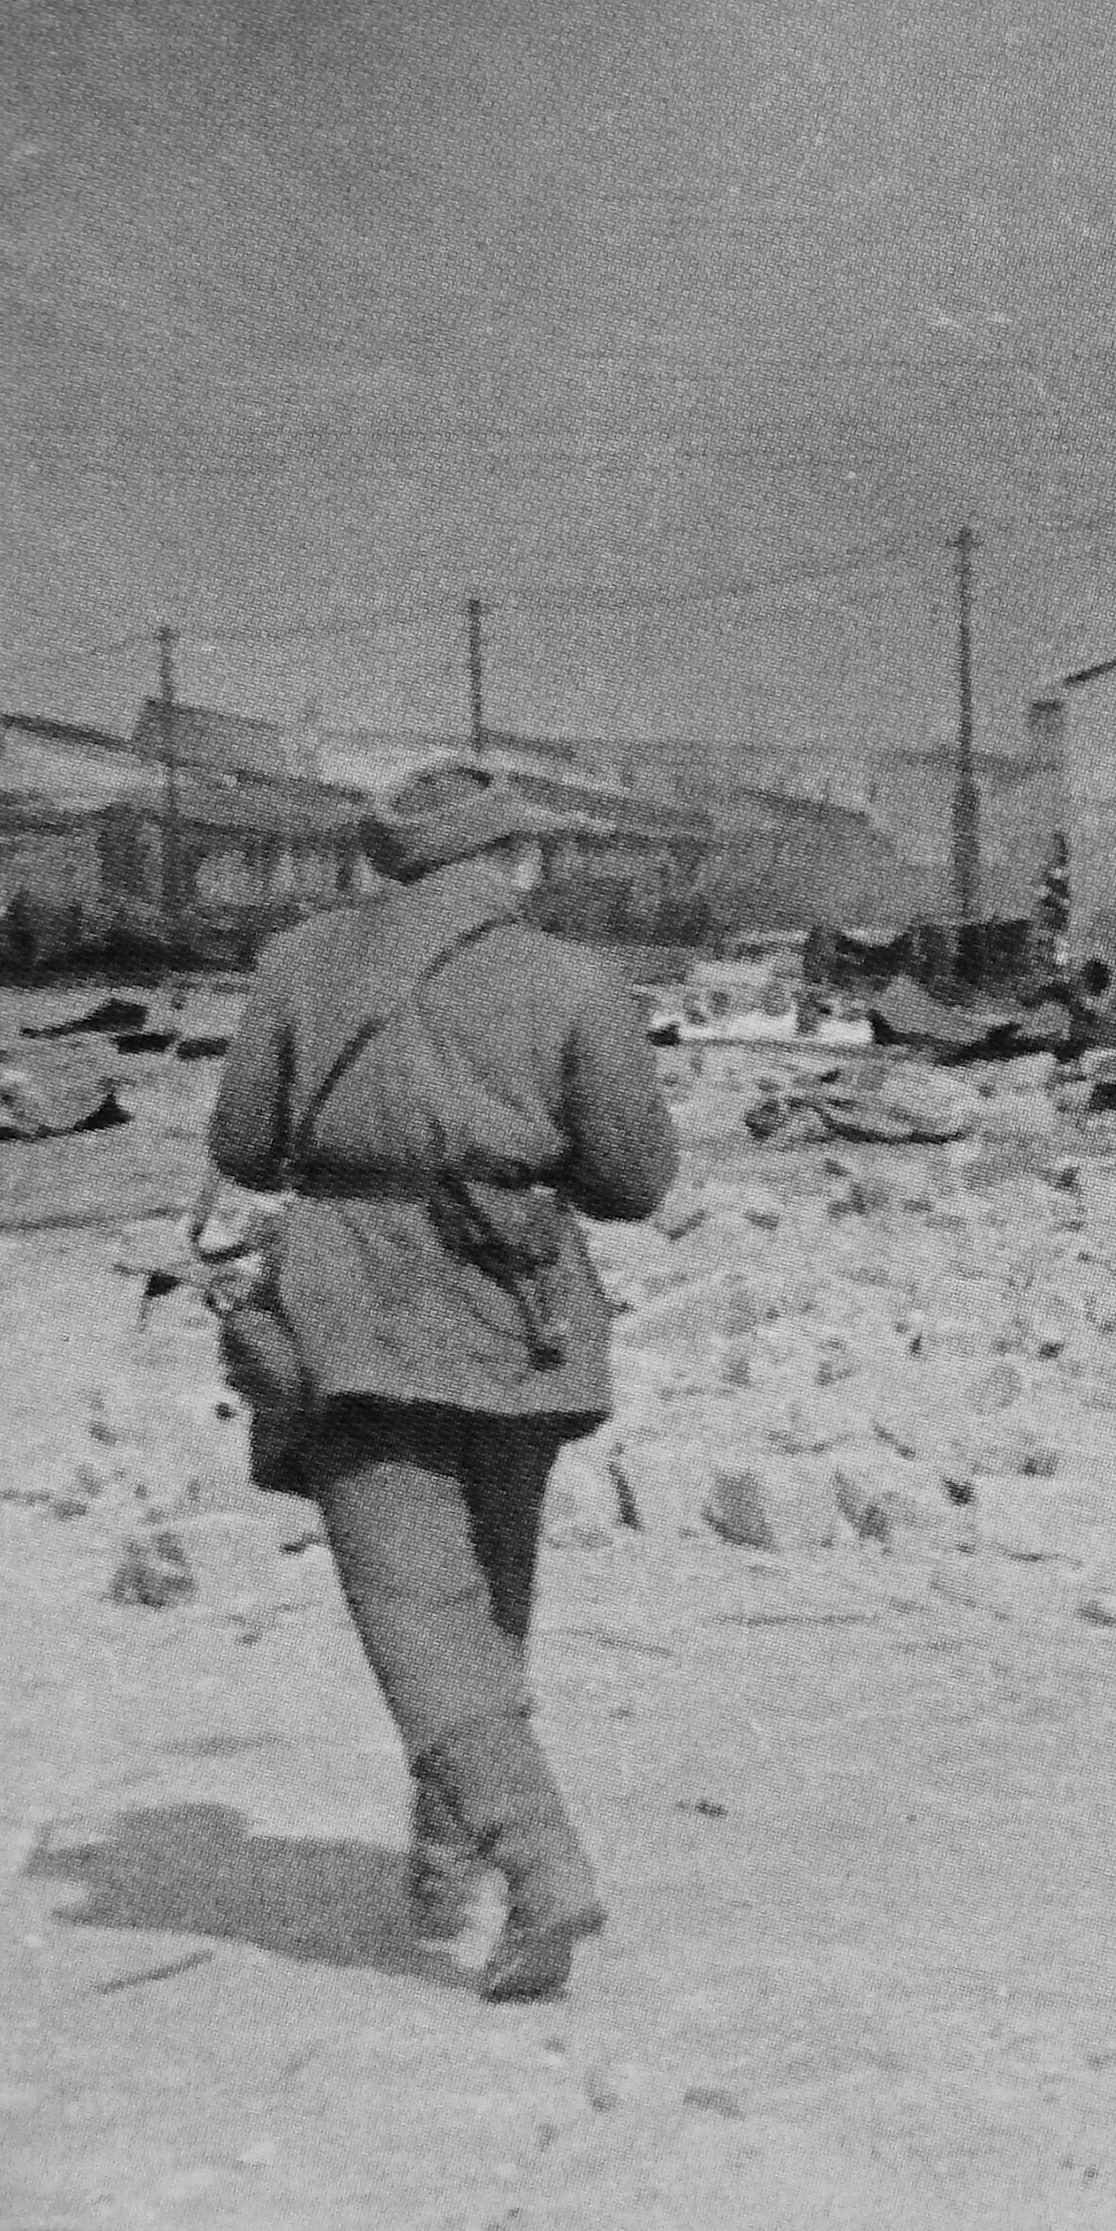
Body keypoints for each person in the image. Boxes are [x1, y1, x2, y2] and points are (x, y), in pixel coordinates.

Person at [203, 760, 678, 2003]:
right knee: (485, 1589)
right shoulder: (573, 979)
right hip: (519, 1314)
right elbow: (635, 1182)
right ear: (516, 857)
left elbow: (242, 1145)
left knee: (416, 1605)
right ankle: (447, 1846)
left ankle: (538, 1863)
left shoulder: (300, 961)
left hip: (353, 1311)